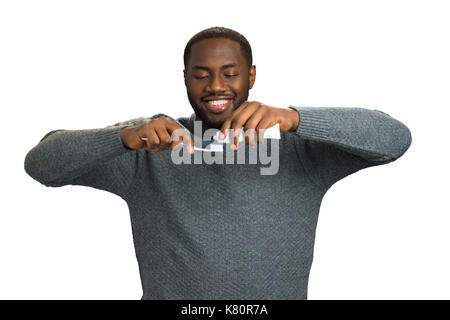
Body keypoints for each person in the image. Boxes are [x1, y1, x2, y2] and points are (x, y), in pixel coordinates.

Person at [24, 26, 412, 299]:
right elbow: (42, 165)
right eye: (201, 75)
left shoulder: (297, 147)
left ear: (251, 76)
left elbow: (394, 139)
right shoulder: (149, 144)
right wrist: (121, 138)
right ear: (185, 79)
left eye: (230, 73)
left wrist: (296, 118)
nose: (216, 87)